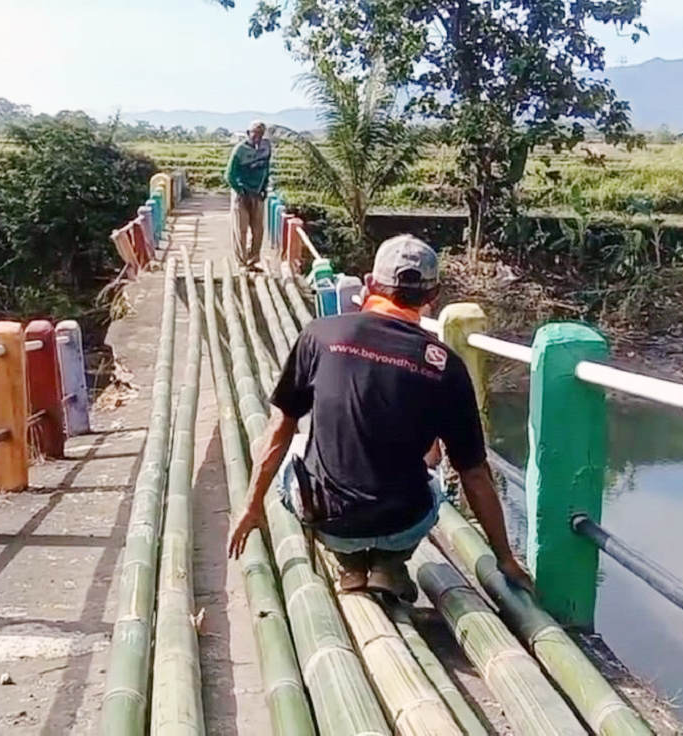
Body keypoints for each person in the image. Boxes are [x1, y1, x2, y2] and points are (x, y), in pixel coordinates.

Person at [228, 235, 533, 601]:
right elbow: (474, 473)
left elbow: (280, 430)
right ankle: (389, 564)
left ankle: (351, 564)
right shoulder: (445, 365)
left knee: (293, 446)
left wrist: (250, 507)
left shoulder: (319, 335)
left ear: (370, 284)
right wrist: (505, 558)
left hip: (330, 521)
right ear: (432, 296)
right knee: (433, 480)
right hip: (404, 524)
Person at [225, 121, 272, 270]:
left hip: (257, 193)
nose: (257, 136)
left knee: (258, 230)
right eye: (254, 133)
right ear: (248, 133)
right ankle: (242, 263)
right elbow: (229, 175)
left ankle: (253, 260)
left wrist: (264, 187)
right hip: (242, 194)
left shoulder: (266, 148)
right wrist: (239, 189)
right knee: (241, 229)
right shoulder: (239, 150)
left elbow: (266, 169)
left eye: (260, 134)